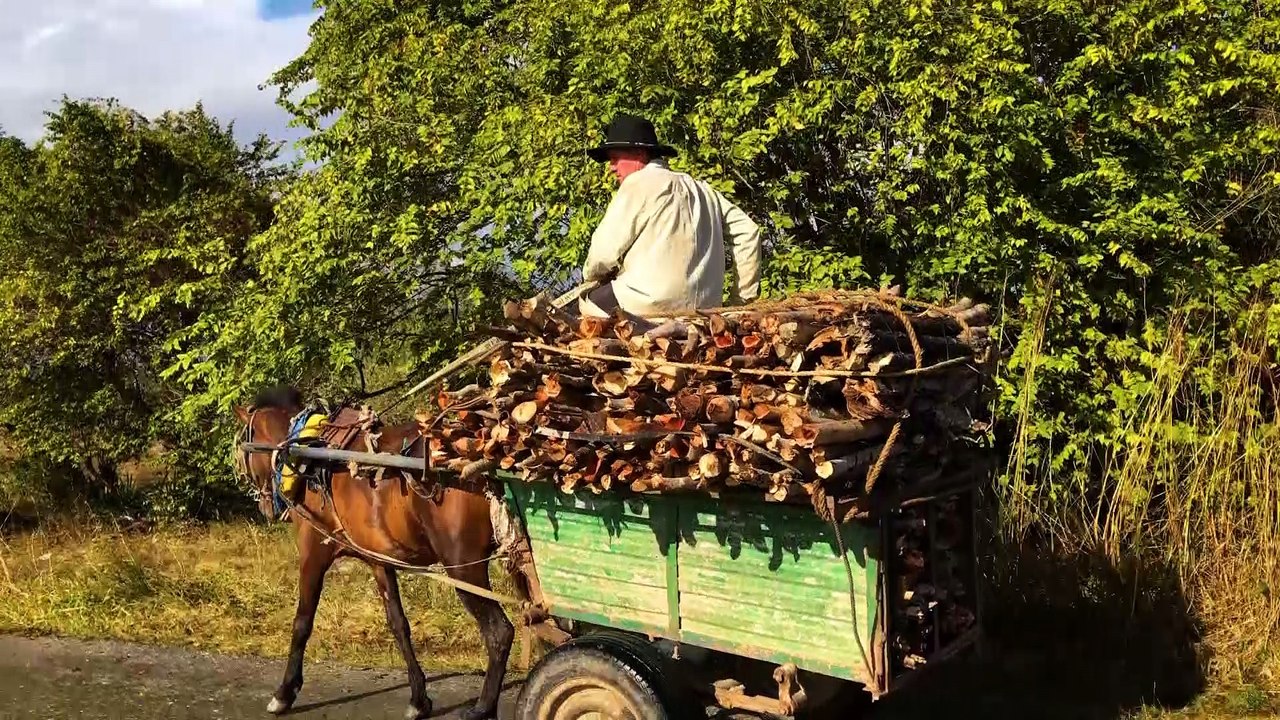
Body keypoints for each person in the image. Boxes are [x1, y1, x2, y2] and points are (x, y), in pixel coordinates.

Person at [579, 113, 763, 318]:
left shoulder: (638, 184)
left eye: (615, 158)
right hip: (707, 309)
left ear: (639, 154)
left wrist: (591, 277)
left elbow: (603, 253)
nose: (612, 167)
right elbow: (748, 231)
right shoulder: (703, 189)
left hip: (646, 304)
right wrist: (740, 301)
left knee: (585, 303)